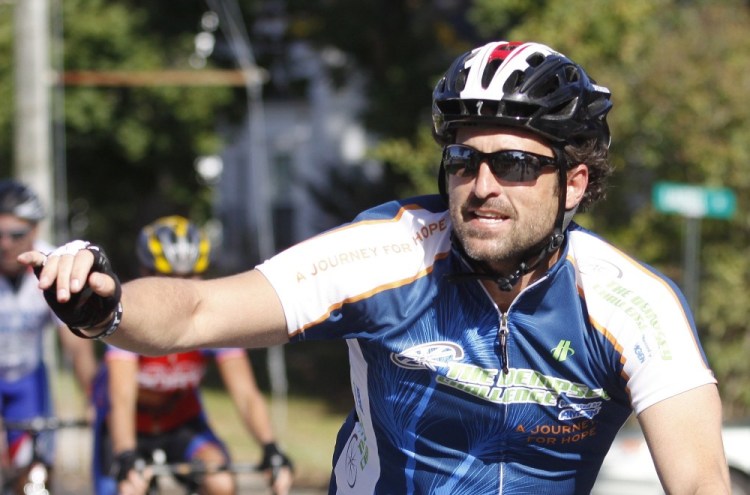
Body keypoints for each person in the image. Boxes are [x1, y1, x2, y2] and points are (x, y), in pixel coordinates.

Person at [20, 41, 731, 494]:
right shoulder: (392, 252)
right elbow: (202, 310)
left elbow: (700, 482)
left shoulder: (629, 302)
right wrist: (106, 306)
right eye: (463, 158)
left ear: (573, 182)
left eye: (513, 163)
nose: (481, 185)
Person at [90, 215, 293, 495]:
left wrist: (270, 447)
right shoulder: (127, 321)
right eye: (169, 277)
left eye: (190, 277)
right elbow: (121, 400)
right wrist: (125, 453)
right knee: (128, 490)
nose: (179, 289)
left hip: (180, 424)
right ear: (144, 272)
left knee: (221, 482)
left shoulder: (213, 317)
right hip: (127, 429)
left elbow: (246, 394)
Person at [0, 179, 97, 490]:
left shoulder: (52, 264)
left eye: (16, 234)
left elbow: (76, 342)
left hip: (28, 379)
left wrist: (92, 398)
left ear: (35, 231)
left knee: (35, 473)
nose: (4, 244)